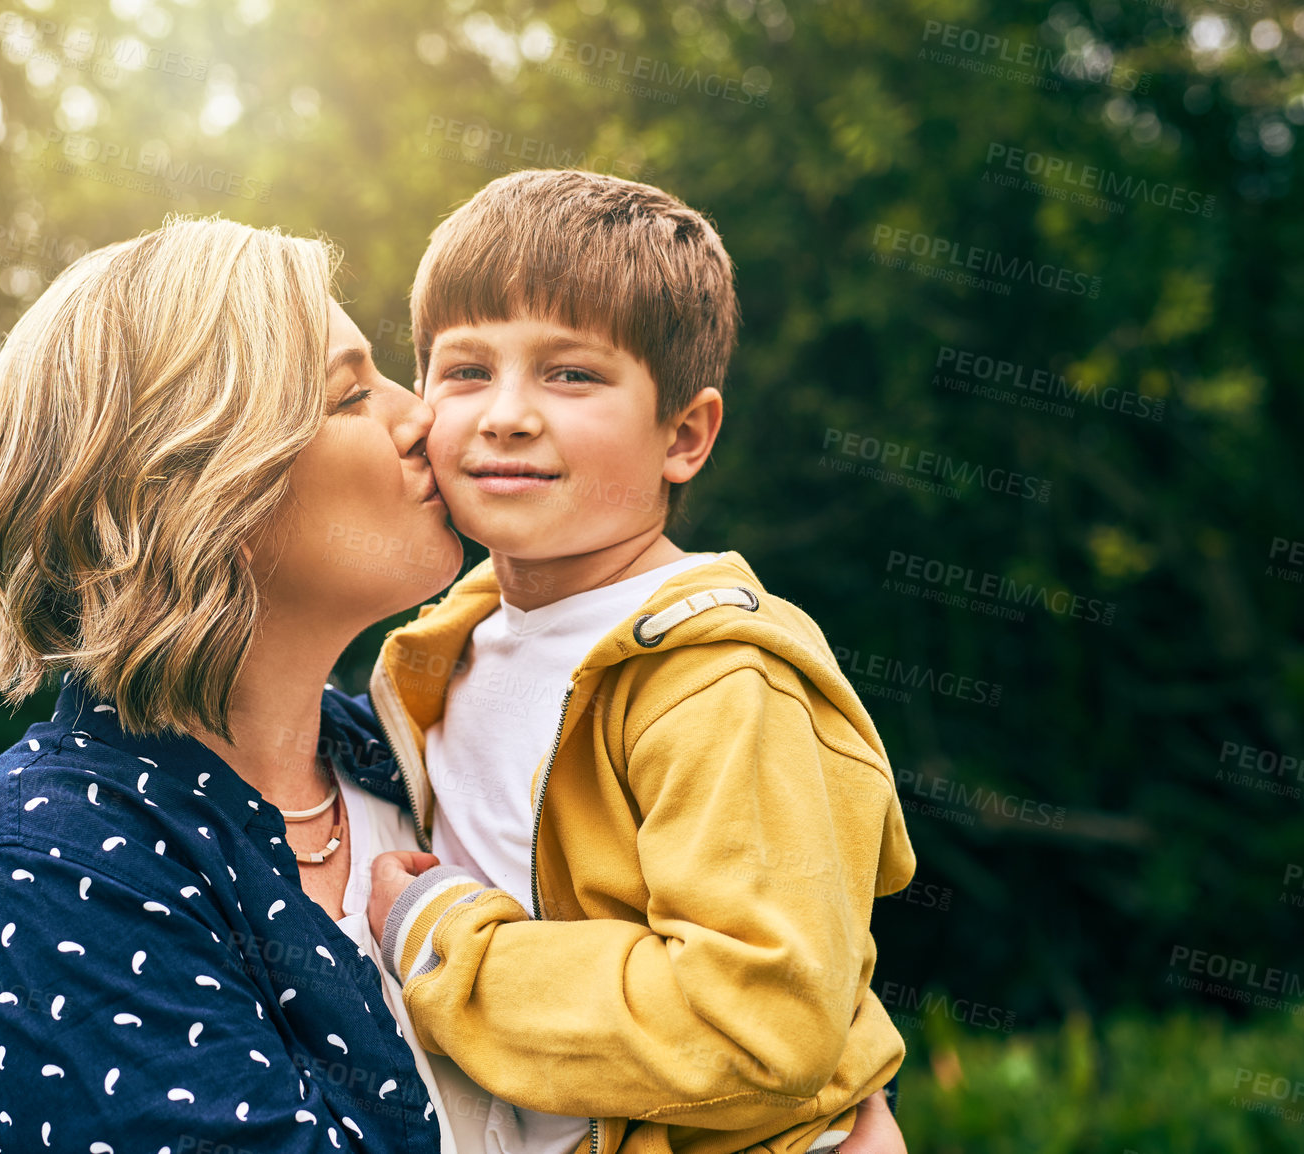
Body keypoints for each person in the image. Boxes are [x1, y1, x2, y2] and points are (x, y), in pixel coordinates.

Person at [364, 169, 915, 1154]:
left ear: (686, 433)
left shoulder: (718, 680)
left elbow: (759, 1021)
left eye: (571, 374)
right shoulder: (440, 651)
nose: (507, 413)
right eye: (465, 369)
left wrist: (441, 940)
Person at [0, 216, 467, 1151]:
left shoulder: (429, 756)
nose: (425, 418)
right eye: (349, 396)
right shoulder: (47, 861)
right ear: (202, 488)